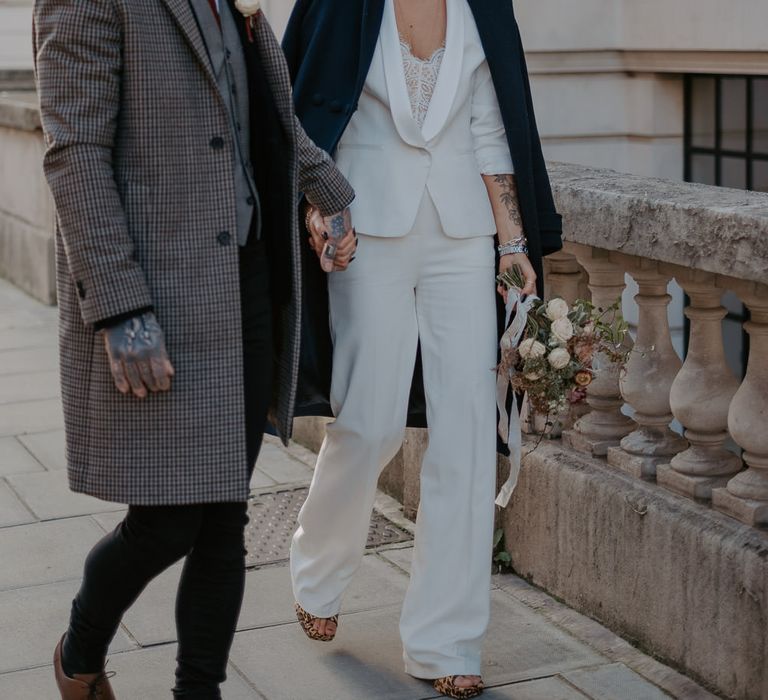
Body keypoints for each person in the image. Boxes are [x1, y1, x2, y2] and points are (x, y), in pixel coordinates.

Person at [32, 0, 355, 697]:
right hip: (160, 292)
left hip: (248, 281)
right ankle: (80, 648)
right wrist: (122, 308)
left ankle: (198, 691)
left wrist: (327, 190)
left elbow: (261, 115)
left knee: (224, 515)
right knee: (167, 521)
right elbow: (74, 152)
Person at [285, 1, 562, 697]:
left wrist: (513, 243)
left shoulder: (480, 8)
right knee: (369, 419)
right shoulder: (338, 4)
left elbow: (491, 127)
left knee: (467, 430)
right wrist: (318, 214)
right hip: (367, 226)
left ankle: (448, 640)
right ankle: (317, 567)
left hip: (461, 236)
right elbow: (305, 116)